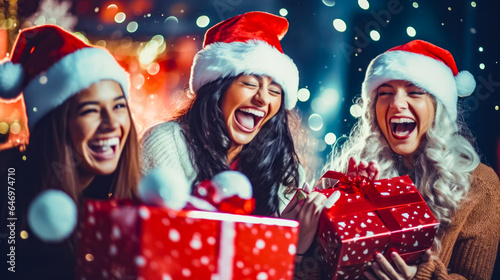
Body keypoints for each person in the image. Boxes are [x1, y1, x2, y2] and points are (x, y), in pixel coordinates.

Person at [140, 11, 327, 264]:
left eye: (274, 90)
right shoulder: (166, 144)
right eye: (250, 83)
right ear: (217, 88)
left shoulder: (285, 170)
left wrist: (302, 246)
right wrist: (278, 241)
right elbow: (164, 255)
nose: (262, 98)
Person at [328, 40, 500, 280]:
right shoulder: (349, 175)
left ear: (439, 108)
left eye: (415, 92)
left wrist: (419, 276)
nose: (396, 103)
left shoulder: (481, 186)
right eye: (385, 93)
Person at [0, 25, 140, 279]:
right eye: (90, 110)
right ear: (56, 122)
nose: (111, 124)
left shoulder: (130, 194)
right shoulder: (7, 184)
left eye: (119, 106)